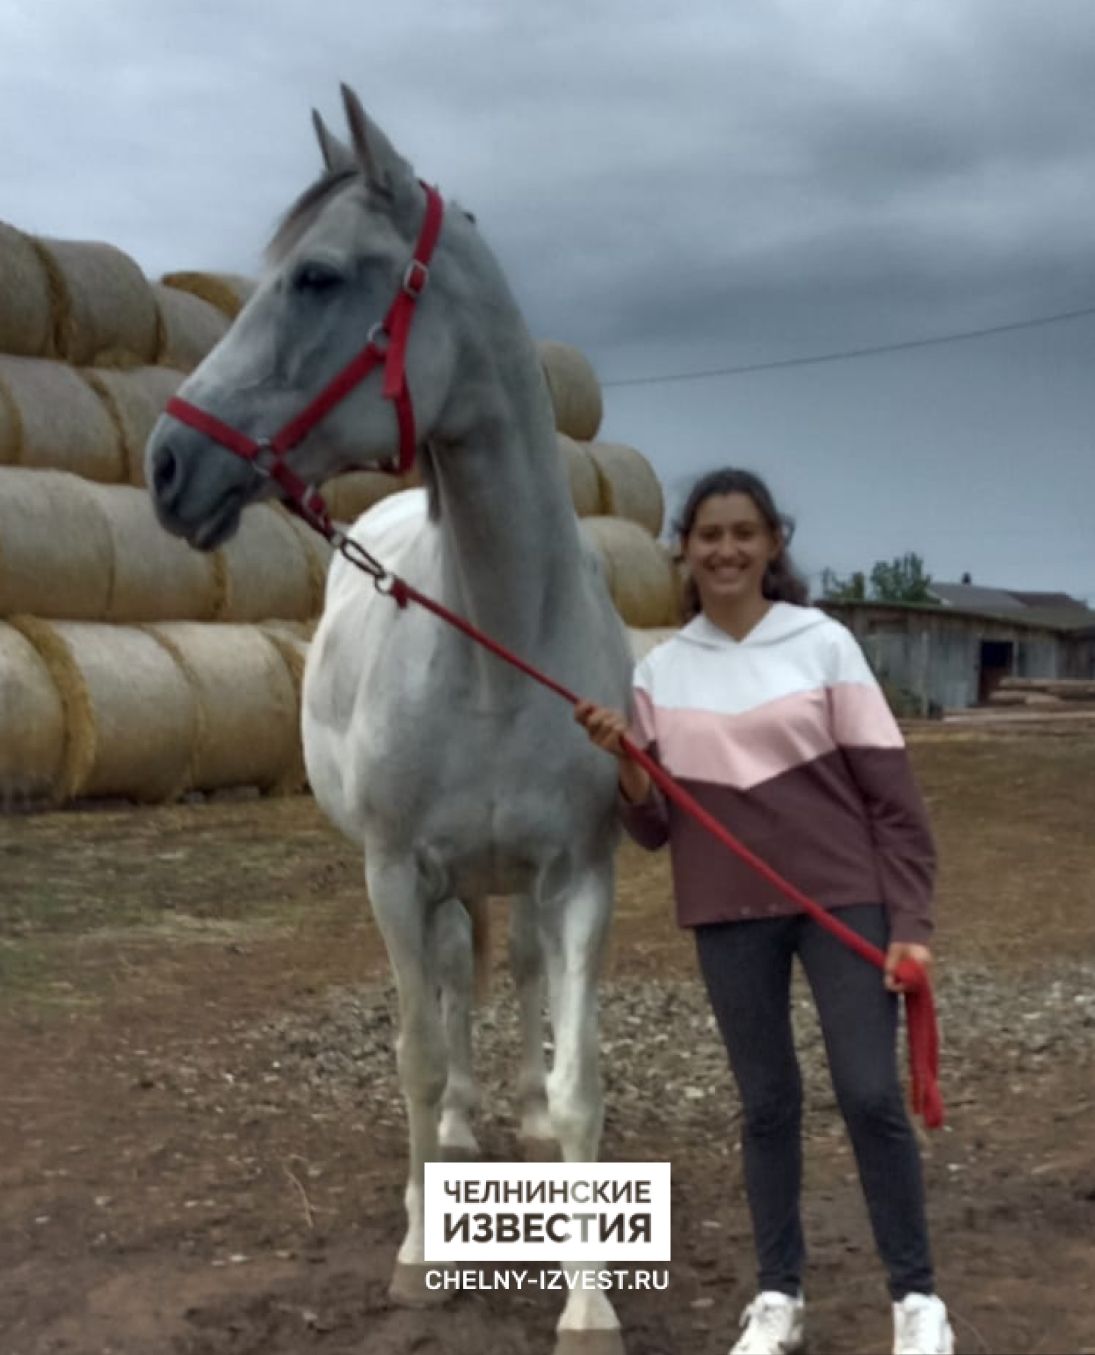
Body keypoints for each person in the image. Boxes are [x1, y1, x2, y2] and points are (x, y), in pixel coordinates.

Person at [575, 468, 953, 1355]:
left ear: (772, 543)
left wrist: (910, 924)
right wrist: (628, 762)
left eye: (743, 532)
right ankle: (778, 1296)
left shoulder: (821, 643)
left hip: (841, 900)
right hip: (726, 910)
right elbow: (653, 827)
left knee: (867, 1093)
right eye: (708, 534)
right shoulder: (659, 671)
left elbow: (894, 802)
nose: (726, 549)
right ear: (685, 548)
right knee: (766, 1105)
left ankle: (917, 1300)